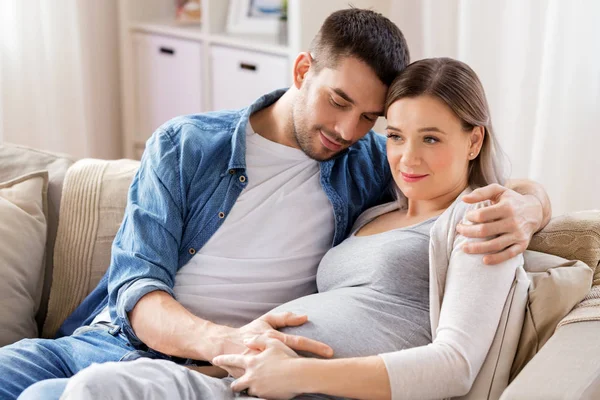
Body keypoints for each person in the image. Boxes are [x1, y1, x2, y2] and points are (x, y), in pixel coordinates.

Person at [3, 9, 549, 400]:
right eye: (338, 102)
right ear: (301, 71)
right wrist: (230, 342)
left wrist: (531, 206)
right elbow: (135, 288)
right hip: (111, 342)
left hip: (227, 378)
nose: (347, 129)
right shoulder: (189, 144)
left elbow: (465, 186)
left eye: (369, 119)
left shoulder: (367, 168)